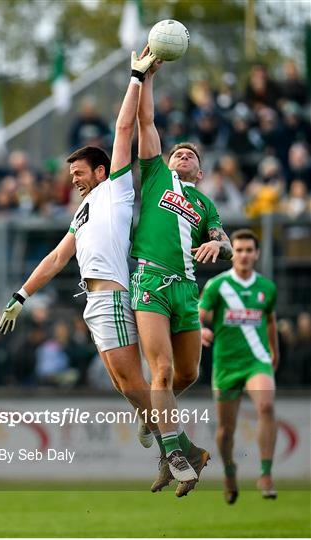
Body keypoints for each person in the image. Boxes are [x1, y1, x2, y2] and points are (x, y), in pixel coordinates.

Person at [0, 49, 158, 448]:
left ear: (100, 171)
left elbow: (123, 131)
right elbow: (57, 258)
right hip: (93, 299)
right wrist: (21, 294)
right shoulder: (84, 210)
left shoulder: (116, 189)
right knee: (123, 383)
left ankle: (176, 447)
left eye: (79, 173)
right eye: (71, 174)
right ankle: (155, 421)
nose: (73, 180)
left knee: (132, 380)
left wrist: (136, 78)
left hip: (113, 295)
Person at [130, 59, 233, 497]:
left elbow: (224, 239)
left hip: (187, 290)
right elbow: (146, 119)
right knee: (163, 371)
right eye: (178, 152)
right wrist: (147, 76)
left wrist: (220, 246)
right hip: (151, 282)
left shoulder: (205, 203)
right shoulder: (156, 176)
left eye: (191, 155)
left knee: (186, 374)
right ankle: (176, 454)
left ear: (201, 171)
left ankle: (161, 428)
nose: (182, 154)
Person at [199, 229, 279, 504]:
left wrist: (273, 352)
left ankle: (266, 474)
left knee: (266, 406)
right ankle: (230, 469)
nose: (244, 255)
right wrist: (199, 330)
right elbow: (197, 316)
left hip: (256, 360)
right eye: (240, 250)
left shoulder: (266, 288)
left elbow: (270, 321)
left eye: (249, 250)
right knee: (226, 430)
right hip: (226, 364)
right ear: (232, 253)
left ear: (256, 254)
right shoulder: (217, 286)